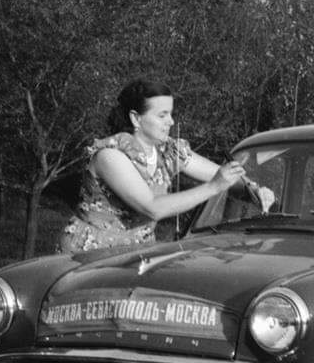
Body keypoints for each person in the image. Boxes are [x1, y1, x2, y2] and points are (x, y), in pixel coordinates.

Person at [59, 78, 273, 253]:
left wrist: (253, 189)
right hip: (90, 257)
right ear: (136, 118)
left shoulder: (170, 151)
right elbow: (152, 207)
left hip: (136, 256)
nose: (171, 122)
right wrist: (214, 187)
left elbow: (221, 174)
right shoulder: (110, 156)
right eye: (162, 115)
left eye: (171, 114)